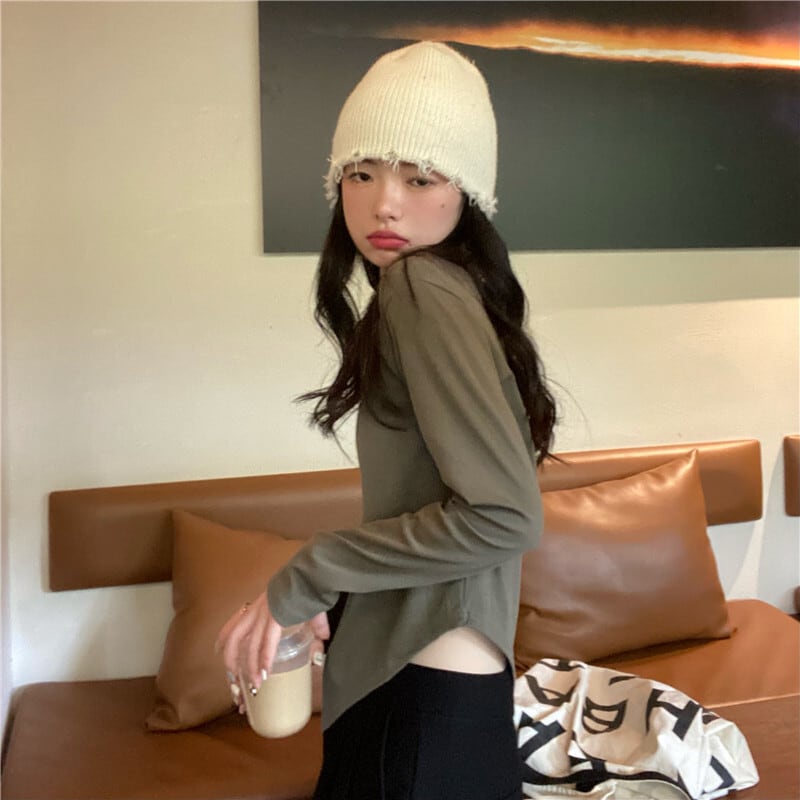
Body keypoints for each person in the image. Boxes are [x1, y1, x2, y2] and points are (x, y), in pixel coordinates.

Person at [217, 40, 557, 800]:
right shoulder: (449, 287)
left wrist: (312, 571)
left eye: (420, 176)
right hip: (443, 686)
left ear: (464, 192)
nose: (385, 204)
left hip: (421, 699)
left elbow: (505, 517)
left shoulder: (420, 289)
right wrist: (340, 595)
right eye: (361, 173)